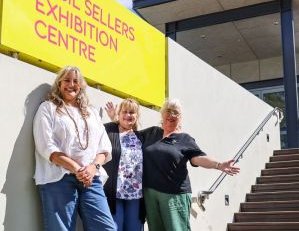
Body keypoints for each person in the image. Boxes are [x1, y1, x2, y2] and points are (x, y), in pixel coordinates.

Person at [33, 66, 117, 231]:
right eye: (67, 80)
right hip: (59, 178)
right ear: (59, 83)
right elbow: (46, 145)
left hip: (91, 179)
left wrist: (93, 168)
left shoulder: (91, 112)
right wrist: (76, 168)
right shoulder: (48, 108)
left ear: (81, 86)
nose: (71, 84)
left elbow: (104, 146)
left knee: (106, 228)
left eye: (75, 81)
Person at [140, 98, 240, 231]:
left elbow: (197, 158)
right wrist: (115, 119)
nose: (171, 115)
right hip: (150, 193)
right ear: (162, 113)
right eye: (168, 111)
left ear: (180, 118)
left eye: (176, 112)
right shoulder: (151, 132)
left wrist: (219, 164)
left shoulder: (184, 139)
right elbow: (128, 136)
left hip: (174, 195)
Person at [102, 99, 145, 231]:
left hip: (136, 195)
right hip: (114, 193)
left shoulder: (141, 136)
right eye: (124, 112)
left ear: (136, 116)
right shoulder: (108, 130)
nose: (128, 115)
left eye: (131, 112)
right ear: (118, 114)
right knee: (113, 228)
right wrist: (114, 119)